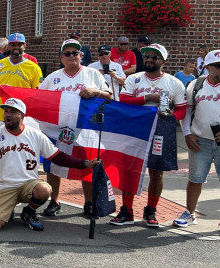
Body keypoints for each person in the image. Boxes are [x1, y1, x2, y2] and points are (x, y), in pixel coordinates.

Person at [0, 98, 100, 231]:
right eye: (6, 111)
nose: (8, 115)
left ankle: (28, 212)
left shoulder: (35, 135)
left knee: (44, 189)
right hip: (4, 187)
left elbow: (58, 158)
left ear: (22, 115)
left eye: (13, 112)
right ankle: (7, 209)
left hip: (28, 185)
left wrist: (84, 163)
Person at [114, 43, 186, 227]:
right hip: (134, 128)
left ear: (163, 61)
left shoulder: (174, 83)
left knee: (156, 171)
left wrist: (171, 116)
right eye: (147, 57)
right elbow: (124, 100)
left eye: (155, 57)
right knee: (129, 169)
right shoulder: (134, 78)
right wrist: (148, 98)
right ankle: (127, 211)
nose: (149, 60)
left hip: (160, 129)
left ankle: (151, 210)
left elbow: (182, 110)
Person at [37, 39, 111, 218]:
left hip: (85, 129)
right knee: (53, 164)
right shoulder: (53, 77)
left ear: (81, 56)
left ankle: (89, 202)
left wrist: (96, 92)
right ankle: (54, 201)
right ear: (61, 57)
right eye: (67, 53)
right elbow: (39, 98)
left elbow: (110, 96)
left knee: (87, 164)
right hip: (56, 130)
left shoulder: (93, 74)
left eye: (75, 53)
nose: (72, 56)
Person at [175, 49, 220, 227]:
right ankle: (190, 213)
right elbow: (187, 110)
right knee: (195, 178)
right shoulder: (196, 84)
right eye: (217, 66)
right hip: (200, 140)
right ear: (207, 67)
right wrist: (187, 133)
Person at [0, 32, 43, 120]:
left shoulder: (34, 68)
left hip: (20, 117)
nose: (16, 47)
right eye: (13, 44)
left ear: (25, 46)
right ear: (8, 46)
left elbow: (37, 95)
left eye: (19, 44)